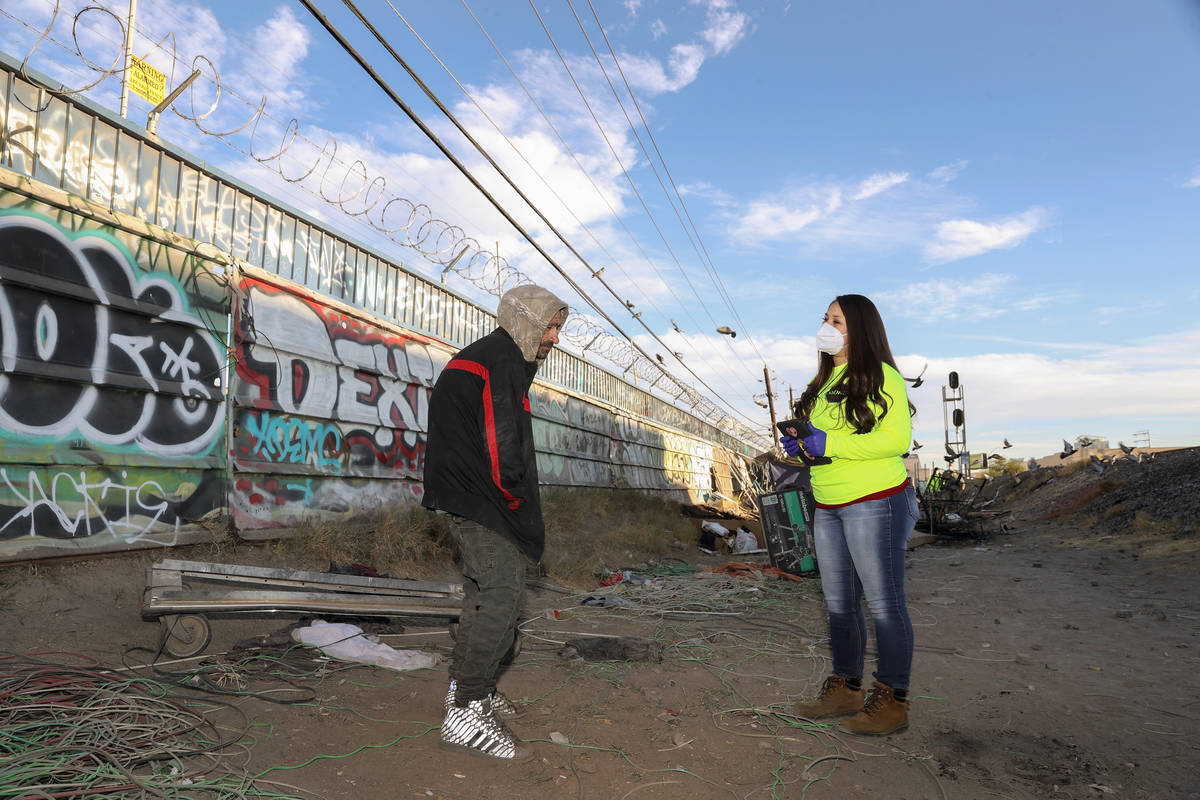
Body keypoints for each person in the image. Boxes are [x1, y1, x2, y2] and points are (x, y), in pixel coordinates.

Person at [422, 284, 568, 761]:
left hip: (465, 495)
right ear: (525, 320)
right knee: (503, 598)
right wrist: (514, 503)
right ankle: (466, 709)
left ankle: (466, 689)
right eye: (550, 327)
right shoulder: (501, 359)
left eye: (557, 329)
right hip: (483, 501)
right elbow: (500, 440)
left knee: (481, 597)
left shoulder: (486, 355)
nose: (554, 339)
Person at [780, 294, 917, 736]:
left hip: (875, 501)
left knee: (883, 604)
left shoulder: (884, 377)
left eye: (837, 320)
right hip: (829, 503)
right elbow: (825, 444)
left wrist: (830, 444)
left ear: (860, 327)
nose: (827, 326)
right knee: (838, 605)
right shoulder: (822, 385)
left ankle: (893, 700)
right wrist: (802, 448)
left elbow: (895, 441)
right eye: (824, 318)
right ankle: (846, 688)